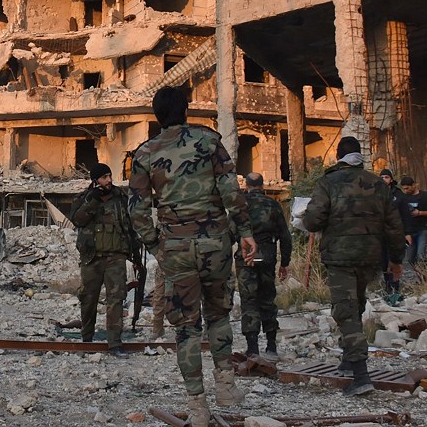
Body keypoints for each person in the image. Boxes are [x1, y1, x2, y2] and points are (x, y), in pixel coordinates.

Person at [129, 86, 256, 426]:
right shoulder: (210, 140)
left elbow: (138, 211)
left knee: (185, 328)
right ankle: (226, 386)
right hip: (215, 243)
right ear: (185, 109)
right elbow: (231, 191)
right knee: (218, 315)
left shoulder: (145, 152)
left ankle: (198, 407)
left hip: (176, 249)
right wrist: (244, 232)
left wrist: (157, 245)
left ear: (157, 115)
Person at [305, 136, 404, 397]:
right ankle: (349, 361)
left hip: (340, 257)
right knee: (357, 304)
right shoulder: (378, 184)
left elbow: (314, 220)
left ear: (338, 156)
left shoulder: (327, 182)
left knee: (346, 310)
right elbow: (394, 225)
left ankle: (360, 375)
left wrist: (305, 219)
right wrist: (396, 260)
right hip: (370, 256)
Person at [70, 162, 139, 357]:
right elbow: (77, 219)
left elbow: (131, 224)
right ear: (95, 180)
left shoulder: (120, 198)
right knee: (88, 299)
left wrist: (135, 252)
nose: (109, 180)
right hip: (91, 258)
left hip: (116, 257)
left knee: (116, 299)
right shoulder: (84, 198)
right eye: (104, 177)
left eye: (109, 176)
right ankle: (87, 340)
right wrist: (92, 201)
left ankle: (115, 344)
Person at [236, 172, 292, 360]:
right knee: (267, 299)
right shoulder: (273, 205)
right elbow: (285, 236)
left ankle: (252, 348)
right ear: (261, 186)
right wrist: (285, 262)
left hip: (246, 255)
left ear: (247, 185)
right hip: (266, 254)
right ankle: (271, 346)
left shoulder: (240, 205)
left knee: (249, 300)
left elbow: (228, 232)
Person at [380, 170, 410, 300]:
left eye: (386, 177)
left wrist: (407, 233)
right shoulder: (374, 194)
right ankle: (387, 285)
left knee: (394, 259)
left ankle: (395, 286)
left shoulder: (398, 195)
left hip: (395, 233)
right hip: (380, 233)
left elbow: (405, 215)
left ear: (391, 179)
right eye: (381, 177)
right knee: (383, 261)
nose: (384, 179)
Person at [399, 176, 427, 266]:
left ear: (414, 185)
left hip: (422, 230)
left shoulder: (424, 196)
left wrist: (420, 213)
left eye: (407, 188)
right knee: (410, 259)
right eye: (403, 189)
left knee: (421, 256)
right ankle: (418, 276)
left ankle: (423, 278)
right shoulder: (403, 198)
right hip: (409, 232)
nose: (406, 190)